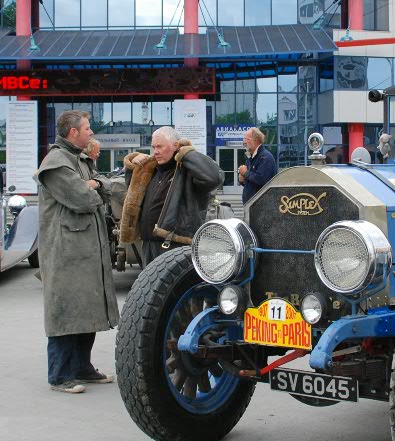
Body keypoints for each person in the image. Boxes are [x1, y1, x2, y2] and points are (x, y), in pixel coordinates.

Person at [34, 110, 120, 394]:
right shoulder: (57, 163)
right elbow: (83, 199)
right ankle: (59, 375)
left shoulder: (79, 160)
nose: (91, 132)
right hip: (65, 255)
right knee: (66, 312)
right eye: (87, 128)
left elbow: (104, 185)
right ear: (73, 132)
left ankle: (82, 367)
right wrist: (93, 186)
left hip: (84, 253)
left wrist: (94, 183)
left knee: (87, 309)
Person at [120, 126, 223, 266]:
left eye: (160, 147)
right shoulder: (151, 170)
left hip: (176, 245)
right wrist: (134, 166)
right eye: (153, 147)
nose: (155, 152)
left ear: (176, 146)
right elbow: (132, 192)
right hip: (149, 244)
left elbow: (214, 178)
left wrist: (186, 152)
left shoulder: (187, 171)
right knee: (150, 288)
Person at [238, 127, 276, 203]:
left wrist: (245, 173)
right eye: (244, 139)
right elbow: (252, 181)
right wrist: (242, 180)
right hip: (251, 206)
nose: (244, 142)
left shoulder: (265, 157)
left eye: (247, 139)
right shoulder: (250, 158)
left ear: (256, 140)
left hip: (261, 207)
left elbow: (261, 180)